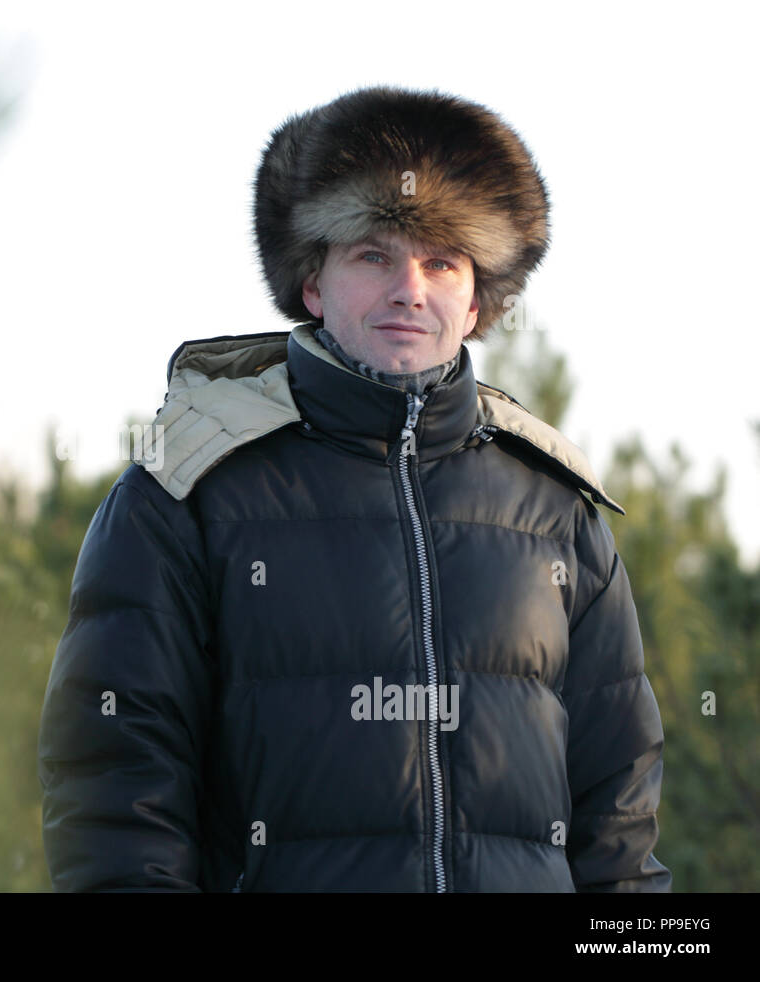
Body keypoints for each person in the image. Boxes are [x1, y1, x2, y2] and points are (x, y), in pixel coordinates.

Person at [36, 84, 671, 892]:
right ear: (312, 282)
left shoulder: (555, 510)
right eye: (373, 254)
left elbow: (616, 813)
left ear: (476, 301)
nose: (410, 288)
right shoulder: (186, 492)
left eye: (441, 261)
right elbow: (115, 786)